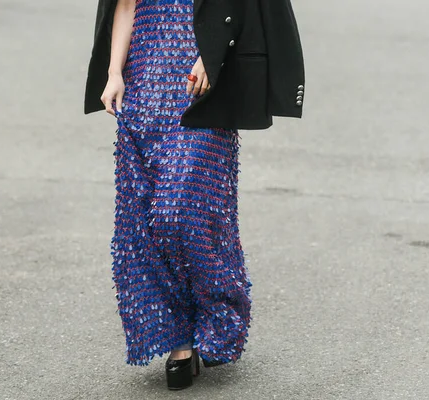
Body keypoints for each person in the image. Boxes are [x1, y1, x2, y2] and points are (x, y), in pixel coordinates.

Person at [84, 0, 304, 390]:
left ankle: (221, 312)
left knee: (182, 212)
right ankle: (180, 340)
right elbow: (125, 6)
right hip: (144, 85)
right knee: (146, 220)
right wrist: (115, 72)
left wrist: (213, 54)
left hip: (200, 85)